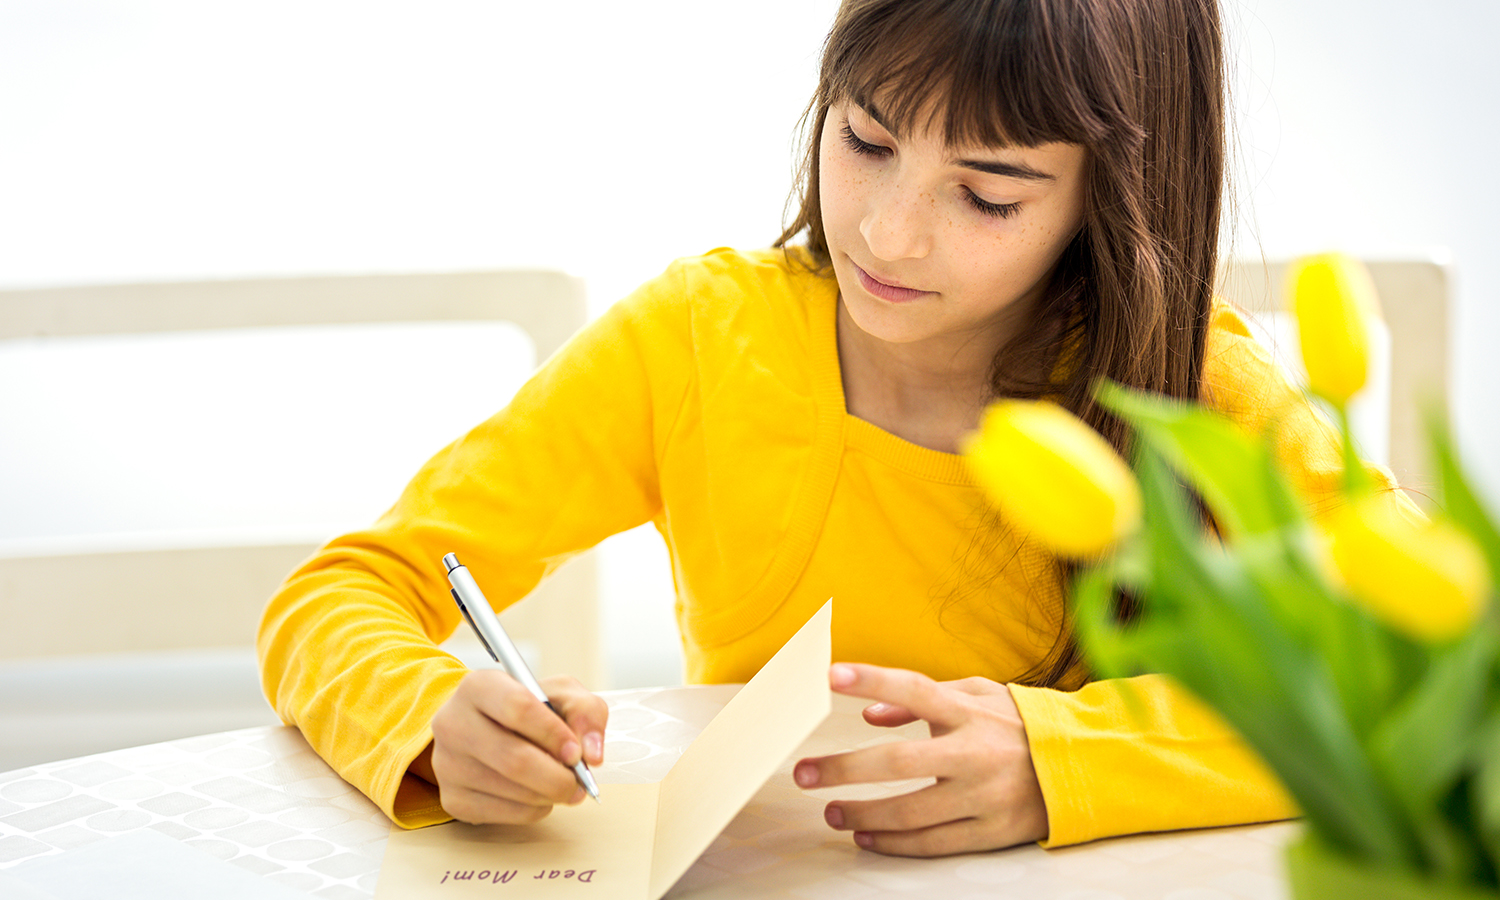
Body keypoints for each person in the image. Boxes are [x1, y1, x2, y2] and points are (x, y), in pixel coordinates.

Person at [258, 0, 1377, 856]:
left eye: (988, 196)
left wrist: (1070, 761)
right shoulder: (704, 340)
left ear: (1114, 197)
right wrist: (433, 718)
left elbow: (1431, 667)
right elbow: (338, 593)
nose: (888, 238)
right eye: (868, 140)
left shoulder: (1194, 396)